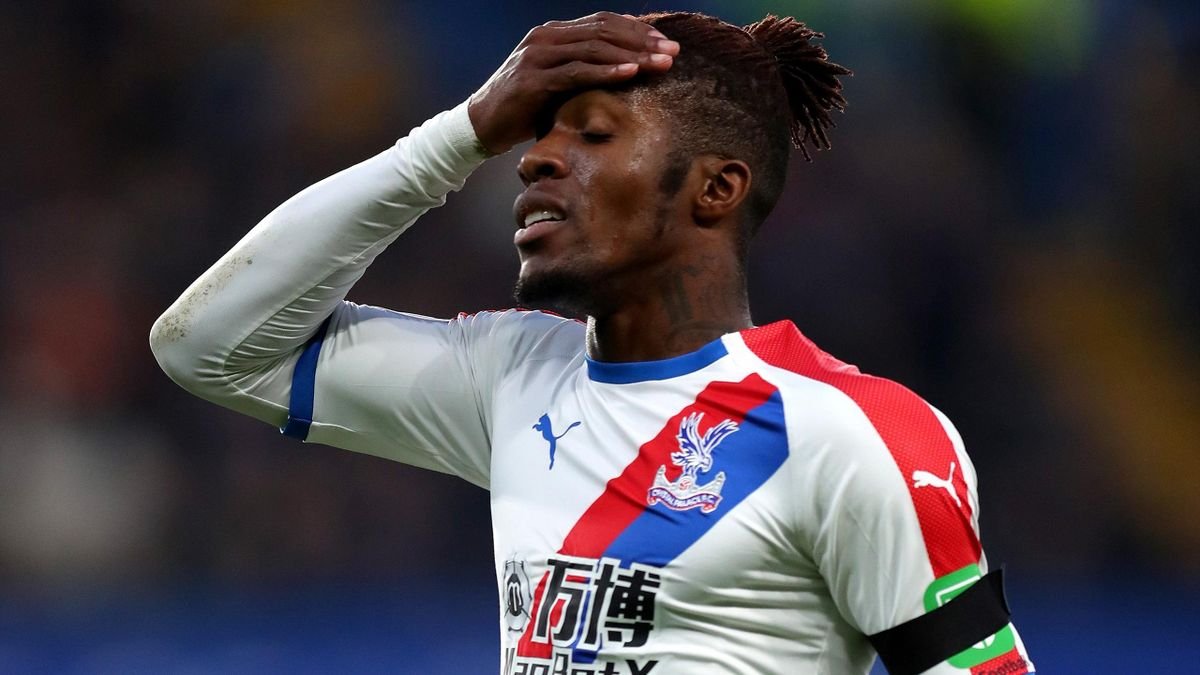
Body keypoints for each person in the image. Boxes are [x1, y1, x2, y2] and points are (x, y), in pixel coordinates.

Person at [150, 10, 1033, 675]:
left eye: (595, 134)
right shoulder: (510, 375)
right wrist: (454, 138)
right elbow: (209, 346)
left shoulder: (855, 434)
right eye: (538, 134)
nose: (534, 159)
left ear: (717, 188)